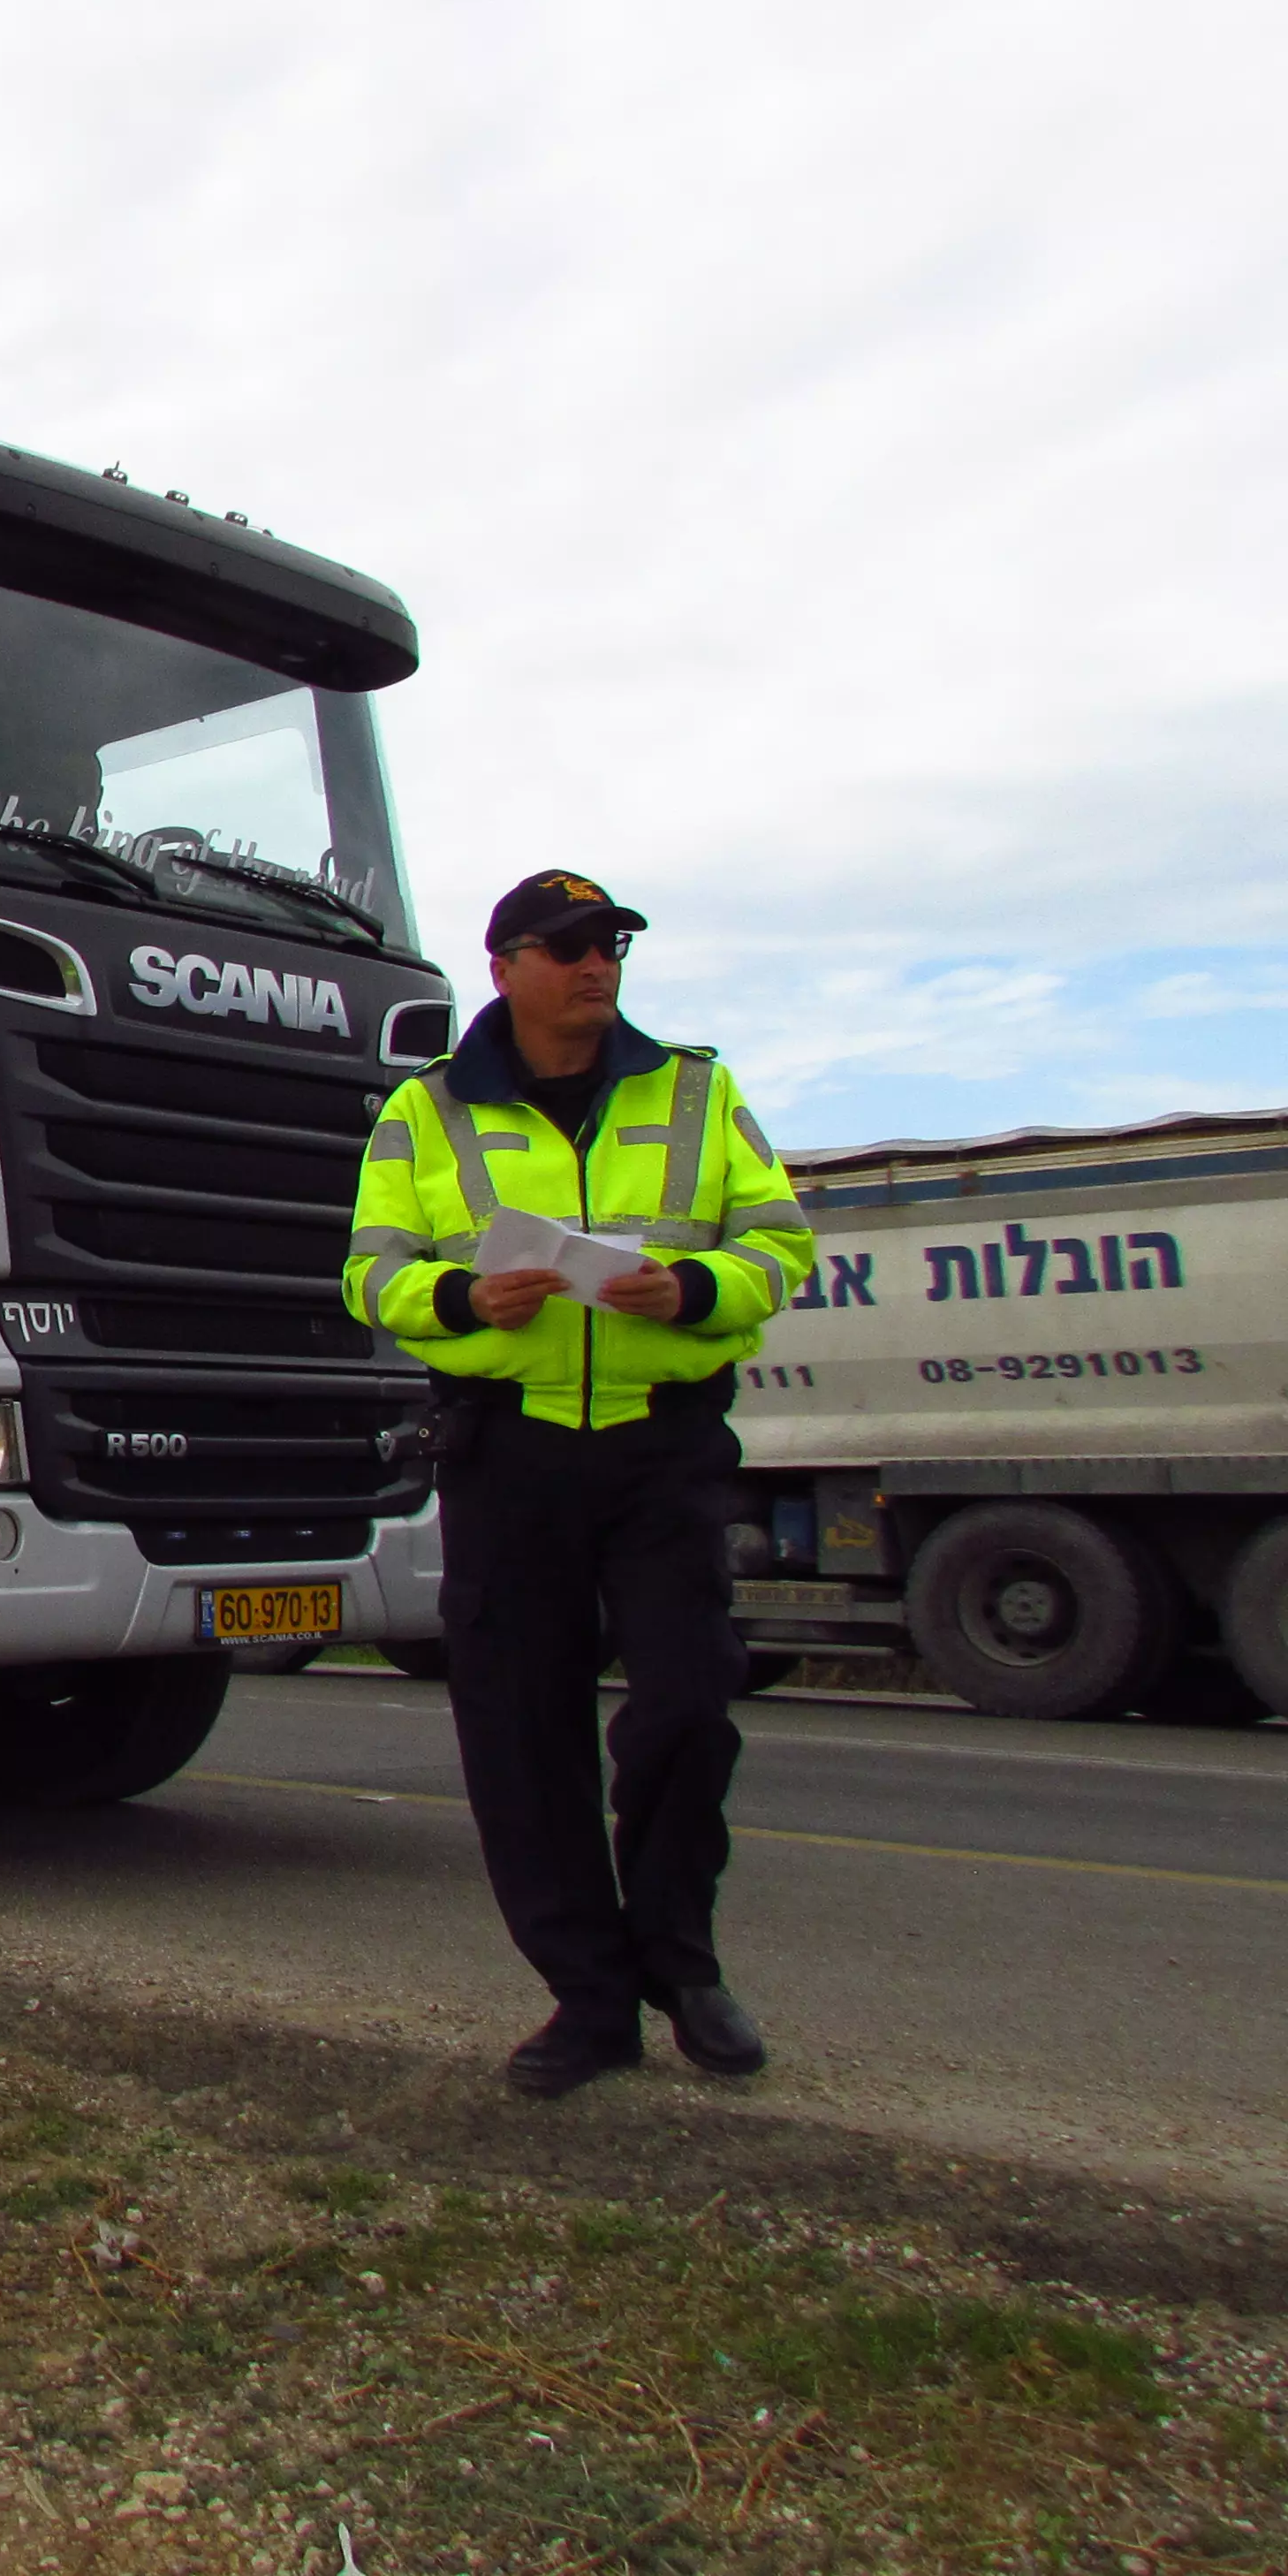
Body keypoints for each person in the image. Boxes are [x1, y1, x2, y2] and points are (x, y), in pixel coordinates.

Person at [345, 870, 815, 2097]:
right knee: (520, 1733)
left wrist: (696, 1289)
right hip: (510, 1450)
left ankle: (683, 1962)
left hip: (663, 1449)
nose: (595, 964)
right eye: (565, 947)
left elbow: (780, 1244)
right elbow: (371, 1274)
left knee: (687, 1704)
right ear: (505, 967)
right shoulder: (426, 1112)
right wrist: (461, 1298)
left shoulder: (699, 1092)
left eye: (608, 944)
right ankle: (590, 2001)